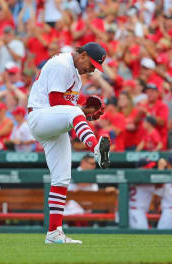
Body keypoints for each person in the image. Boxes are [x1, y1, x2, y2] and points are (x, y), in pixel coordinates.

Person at [27, 42, 110, 244]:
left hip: (54, 122)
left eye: (95, 68)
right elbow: (56, 102)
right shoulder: (61, 64)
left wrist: (83, 111)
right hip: (40, 116)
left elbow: (67, 109)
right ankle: (95, 147)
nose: (91, 70)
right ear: (81, 54)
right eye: (91, 64)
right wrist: (80, 111)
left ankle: (54, 233)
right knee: (73, 112)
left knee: (62, 177)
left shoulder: (76, 76)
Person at [128, 158, 157, 230]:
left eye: (151, 167)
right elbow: (160, 186)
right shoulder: (146, 183)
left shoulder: (130, 178)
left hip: (134, 212)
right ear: (140, 169)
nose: (151, 170)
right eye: (148, 168)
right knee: (143, 236)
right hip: (137, 212)